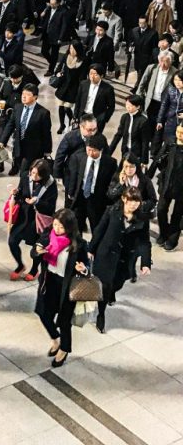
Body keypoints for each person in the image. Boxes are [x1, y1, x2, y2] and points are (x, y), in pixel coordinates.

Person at [31, 209, 90, 368]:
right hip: (48, 281)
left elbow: (87, 268)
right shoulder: (48, 233)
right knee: (43, 314)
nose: (57, 229)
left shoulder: (78, 245)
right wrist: (37, 252)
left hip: (67, 287)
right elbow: (34, 251)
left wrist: (82, 269)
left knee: (64, 321)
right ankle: (55, 339)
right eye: (55, 224)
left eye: (61, 227)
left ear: (69, 228)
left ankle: (64, 349)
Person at [89, 187, 151, 334]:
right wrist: (91, 249)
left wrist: (145, 263)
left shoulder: (142, 218)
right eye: (131, 201)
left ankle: (112, 292)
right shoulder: (112, 211)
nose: (134, 205)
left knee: (118, 283)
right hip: (106, 255)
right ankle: (101, 314)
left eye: (137, 202)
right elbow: (100, 230)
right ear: (124, 199)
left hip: (125, 257)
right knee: (104, 285)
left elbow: (145, 242)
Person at [7, 158, 58, 282]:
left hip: (39, 220)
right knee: (12, 241)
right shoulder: (25, 176)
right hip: (24, 216)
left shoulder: (50, 184)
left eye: (37, 174)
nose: (33, 176)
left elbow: (50, 206)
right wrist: (16, 194)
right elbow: (21, 194)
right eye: (32, 172)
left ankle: (34, 269)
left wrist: (37, 201)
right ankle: (20, 265)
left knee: (37, 248)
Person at [64, 132, 117, 234]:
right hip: (80, 198)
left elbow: (111, 183)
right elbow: (73, 176)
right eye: (89, 150)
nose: (91, 153)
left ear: (101, 150)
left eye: (94, 151)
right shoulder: (78, 157)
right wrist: (71, 193)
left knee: (96, 228)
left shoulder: (110, 163)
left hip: (96, 200)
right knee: (76, 228)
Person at [0, 83, 53, 178]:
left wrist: (47, 150)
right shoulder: (18, 107)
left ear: (35, 97)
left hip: (33, 150)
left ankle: (22, 190)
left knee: (24, 172)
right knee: (22, 169)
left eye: (28, 95)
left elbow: (46, 133)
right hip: (18, 147)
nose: (24, 96)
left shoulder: (43, 113)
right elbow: (10, 125)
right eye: (23, 94)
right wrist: (3, 141)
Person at [157, 124, 183, 251]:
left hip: (181, 187)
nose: (180, 135)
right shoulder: (170, 142)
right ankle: (163, 233)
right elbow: (159, 158)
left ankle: (172, 239)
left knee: (177, 215)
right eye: (178, 131)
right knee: (161, 209)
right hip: (167, 183)